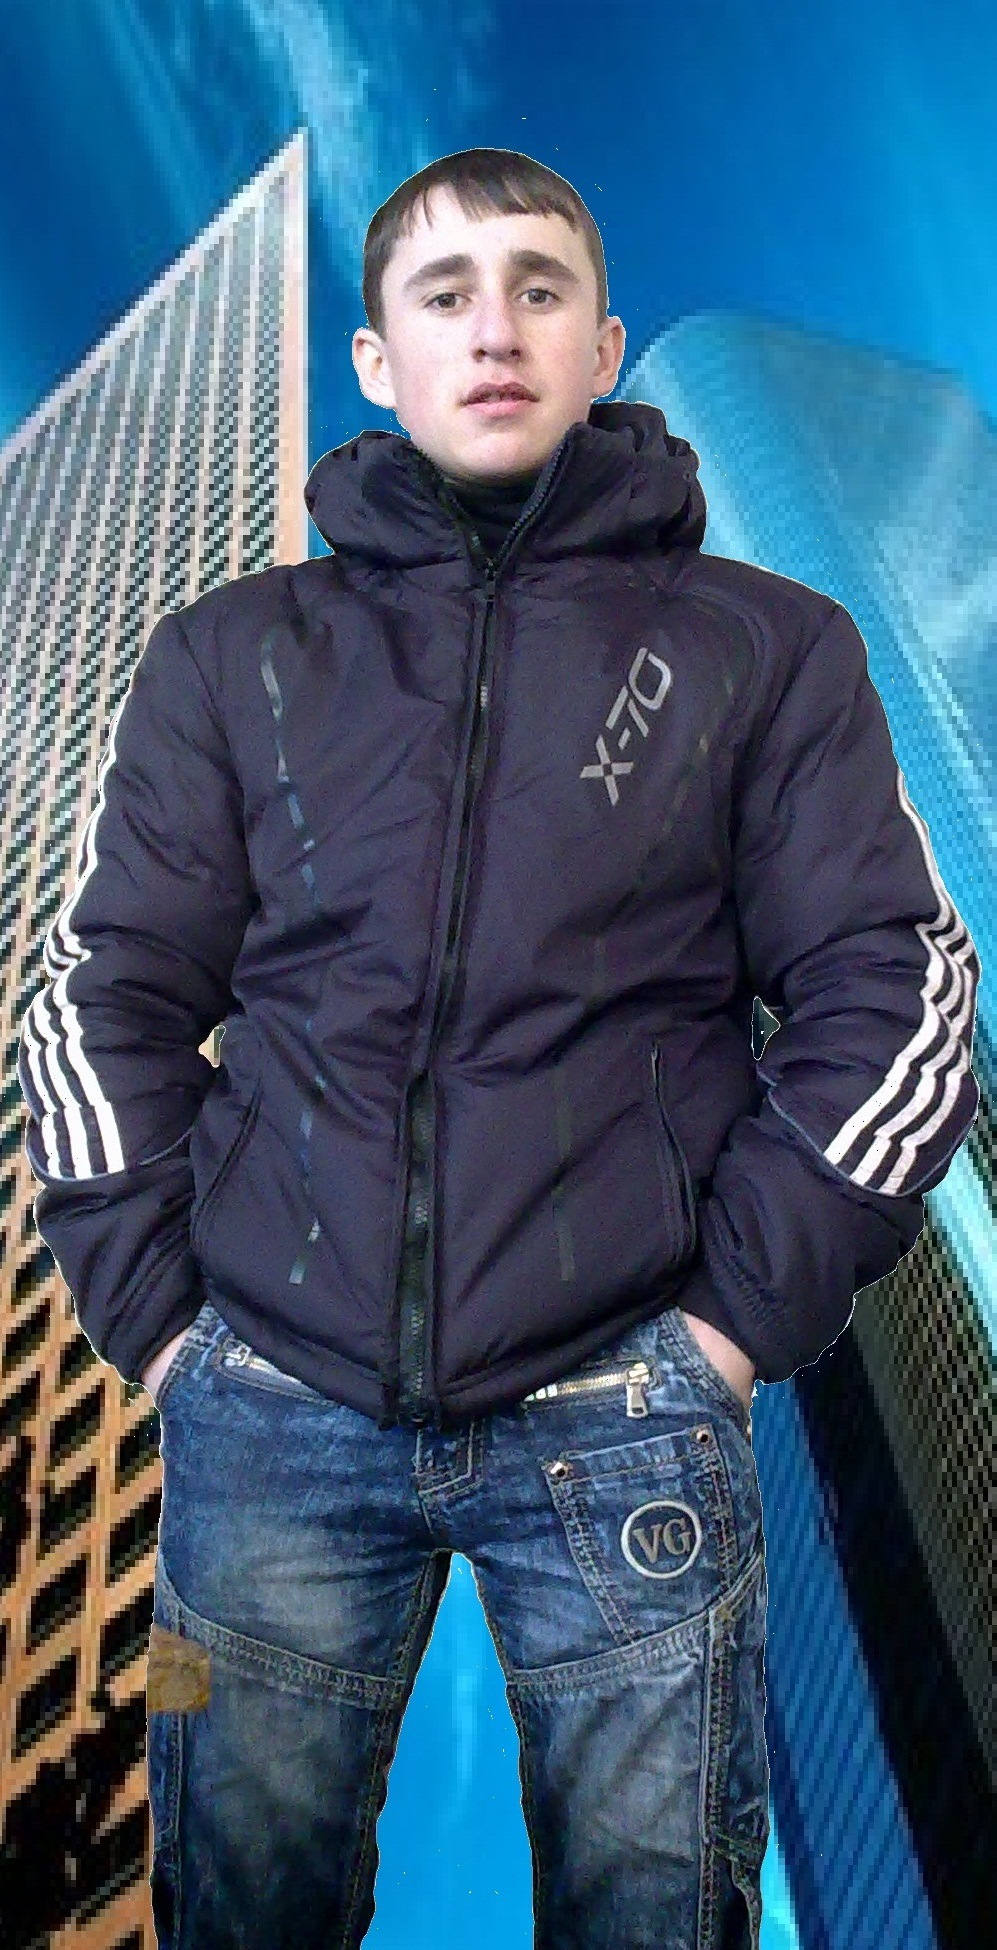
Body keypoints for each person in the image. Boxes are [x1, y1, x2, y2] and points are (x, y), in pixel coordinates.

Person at [18, 148, 981, 1950]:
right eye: (443, 294)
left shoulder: (764, 649)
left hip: (628, 1428)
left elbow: (897, 984)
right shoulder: (230, 655)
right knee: (224, 1915)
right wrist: (164, 1330)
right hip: (264, 1430)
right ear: (375, 356)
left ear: (601, 346)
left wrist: (723, 1324)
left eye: (540, 289)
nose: (493, 330)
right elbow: (99, 990)